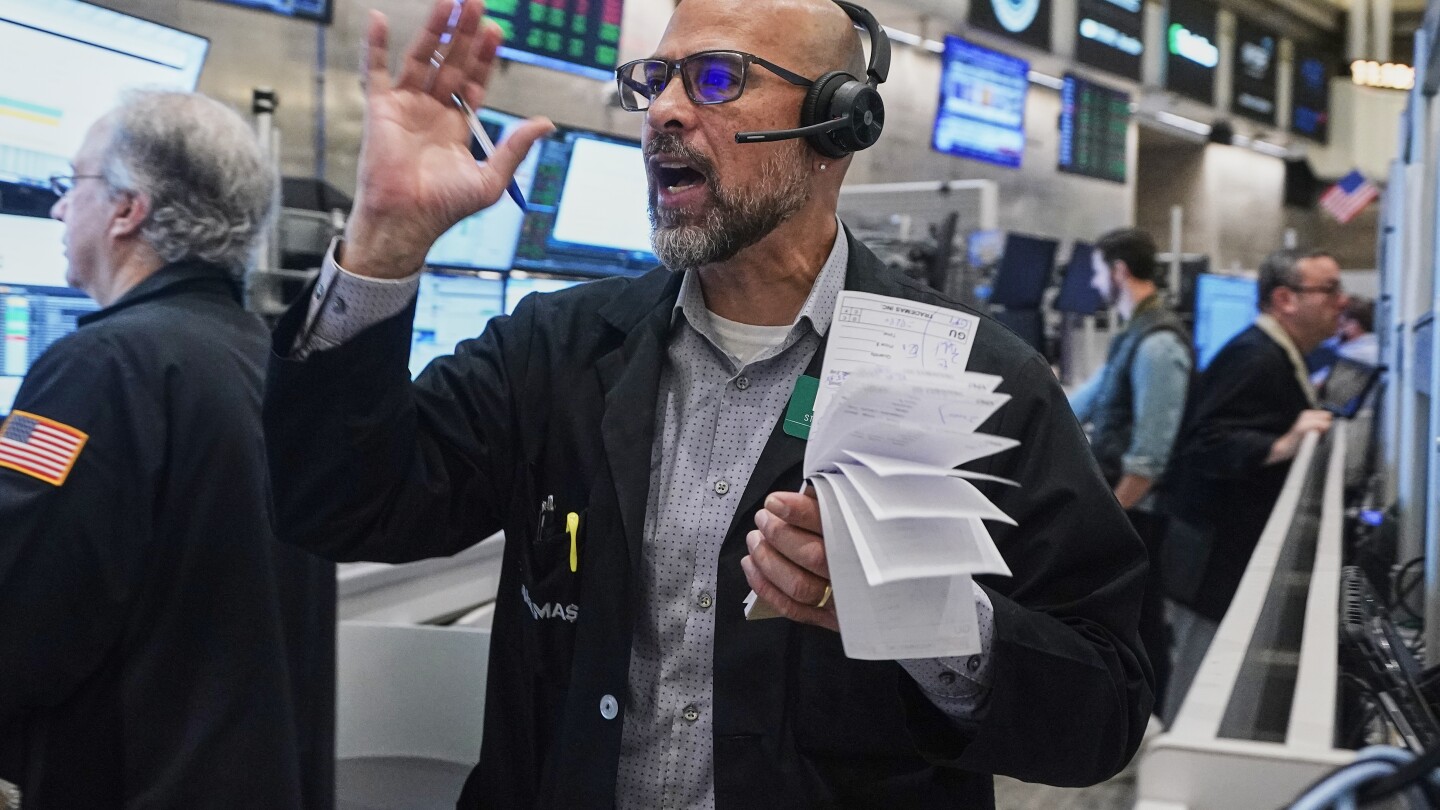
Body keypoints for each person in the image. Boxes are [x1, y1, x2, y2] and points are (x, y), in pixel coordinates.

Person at [264, 1, 1152, 807]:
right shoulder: (558, 348)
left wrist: (930, 619)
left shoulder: (977, 377)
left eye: (717, 78)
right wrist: (382, 243)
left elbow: (1106, 706)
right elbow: (338, 503)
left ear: (837, 122)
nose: (663, 110)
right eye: (655, 79)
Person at [0, 91, 335, 809]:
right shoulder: (267, 361)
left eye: (72, 184)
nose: (57, 209)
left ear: (127, 209)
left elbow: (20, 615)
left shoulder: (99, 367)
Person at [1158, 249, 1345, 722]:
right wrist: (1283, 443)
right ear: (1284, 299)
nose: (1342, 301)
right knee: (1201, 682)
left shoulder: (1275, 353)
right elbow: (1206, 442)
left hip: (1218, 550)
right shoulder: (1255, 356)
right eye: (1328, 290)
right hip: (1211, 556)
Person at [1069, 228, 1191, 715]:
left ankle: (1151, 721)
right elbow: (1084, 401)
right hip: (1125, 507)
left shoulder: (1158, 344)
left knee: (1142, 625)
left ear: (1119, 271)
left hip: (1139, 511)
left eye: (1099, 271)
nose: (1095, 282)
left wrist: (1112, 516)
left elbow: (1150, 456)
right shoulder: (1135, 333)